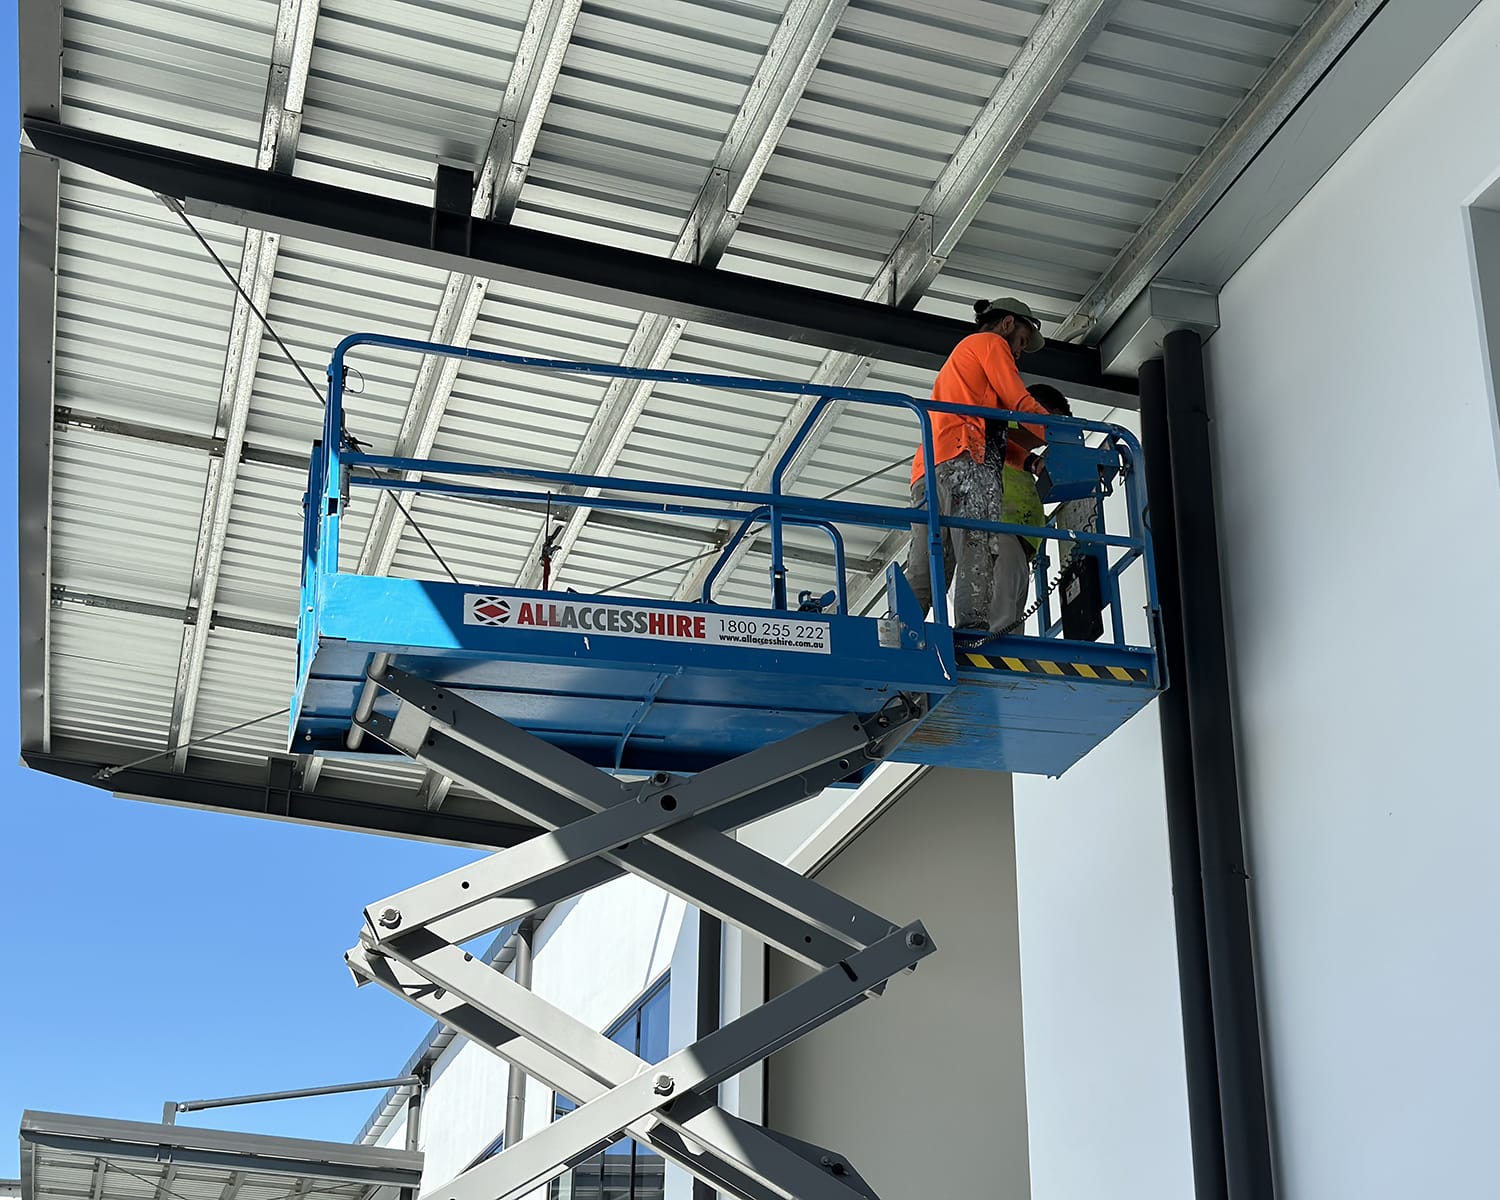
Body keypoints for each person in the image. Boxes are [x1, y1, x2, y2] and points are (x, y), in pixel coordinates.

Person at [905, 297, 1053, 642]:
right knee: (976, 543)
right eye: (1020, 342)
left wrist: (1030, 461)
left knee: (931, 561)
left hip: (930, 467)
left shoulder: (965, 362)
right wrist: (1061, 435)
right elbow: (1020, 401)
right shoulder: (990, 344)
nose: (1018, 352)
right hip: (963, 463)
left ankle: (903, 629)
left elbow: (991, 434)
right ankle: (972, 631)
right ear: (1007, 324)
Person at [986, 381, 1071, 636]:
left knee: (1010, 629)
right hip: (998, 536)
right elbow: (1012, 430)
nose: (1051, 434)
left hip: (1020, 549)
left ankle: (1005, 668)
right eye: (1052, 423)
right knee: (998, 625)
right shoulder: (997, 436)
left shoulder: (1025, 464)